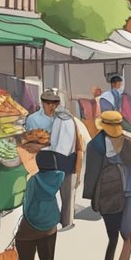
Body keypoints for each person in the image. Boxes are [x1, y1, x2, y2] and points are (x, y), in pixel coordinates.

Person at [84, 111, 131, 260]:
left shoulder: (95, 145)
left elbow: (91, 174)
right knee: (126, 232)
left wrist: (91, 197)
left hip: (108, 194)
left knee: (113, 233)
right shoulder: (130, 141)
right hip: (129, 191)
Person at [10, 150, 63, 260]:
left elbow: (27, 204)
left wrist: (27, 217)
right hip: (50, 225)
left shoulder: (34, 181)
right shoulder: (58, 178)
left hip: (31, 226)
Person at [39, 90, 85, 231]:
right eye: (48, 104)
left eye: (52, 104)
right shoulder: (64, 118)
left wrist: (45, 151)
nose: (50, 107)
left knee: (66, 195)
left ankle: (66, 223)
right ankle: (65, 221)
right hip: (66, 160)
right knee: (66, 195)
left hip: (64, 162)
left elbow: (62, 148)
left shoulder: (62, 120)